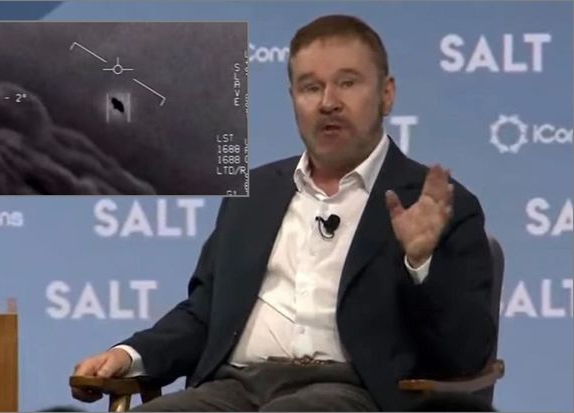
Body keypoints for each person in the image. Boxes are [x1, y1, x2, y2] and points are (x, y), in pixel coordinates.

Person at [71, 14, 496, 411]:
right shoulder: (255, 195)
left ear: (387, 94)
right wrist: (130, 355)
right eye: (311, 87)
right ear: (293, 98)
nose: (328, 102)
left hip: (352, 393)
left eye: (347, 83)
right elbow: (204, 314)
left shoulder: (437, 205)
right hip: (233, 389)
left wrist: (420, 262)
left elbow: (466, 354)